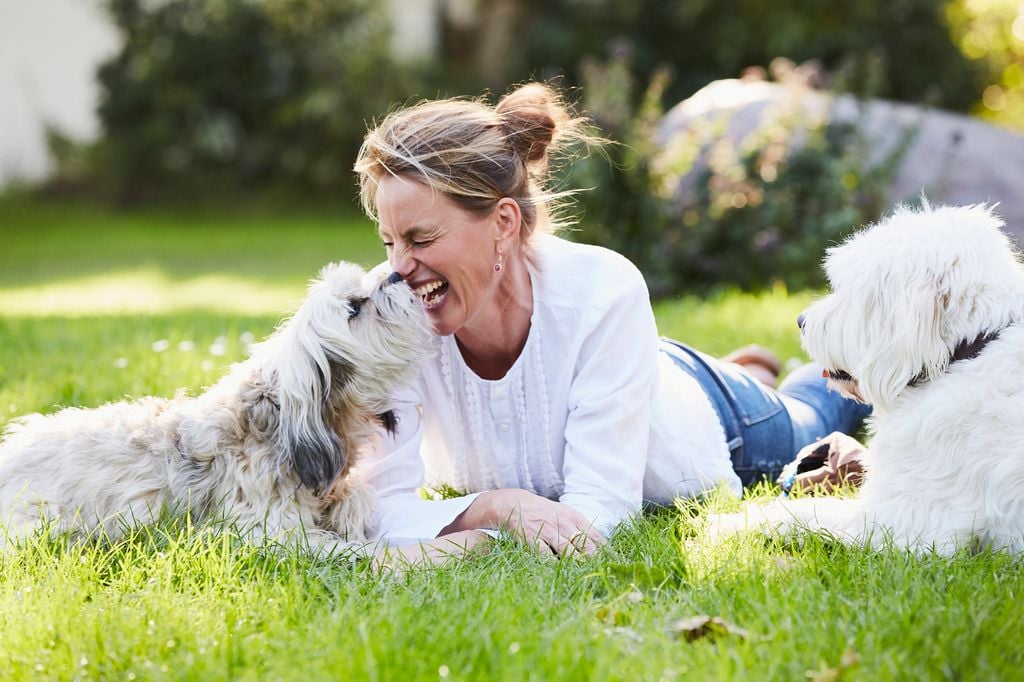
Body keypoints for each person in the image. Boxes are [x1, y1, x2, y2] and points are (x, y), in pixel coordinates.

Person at [354, 82, 871, 558]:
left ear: (503, 223)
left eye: (421, 240)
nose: (398, 268)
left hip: (714, 421)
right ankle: (746, 368)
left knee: (817, 409)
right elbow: (377, 510)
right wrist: (494, 506)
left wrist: (472, 529)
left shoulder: (601, 288)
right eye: (389, 242)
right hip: (625, 371)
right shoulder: (389, 311)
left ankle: (767, 380)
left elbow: (598, 516)